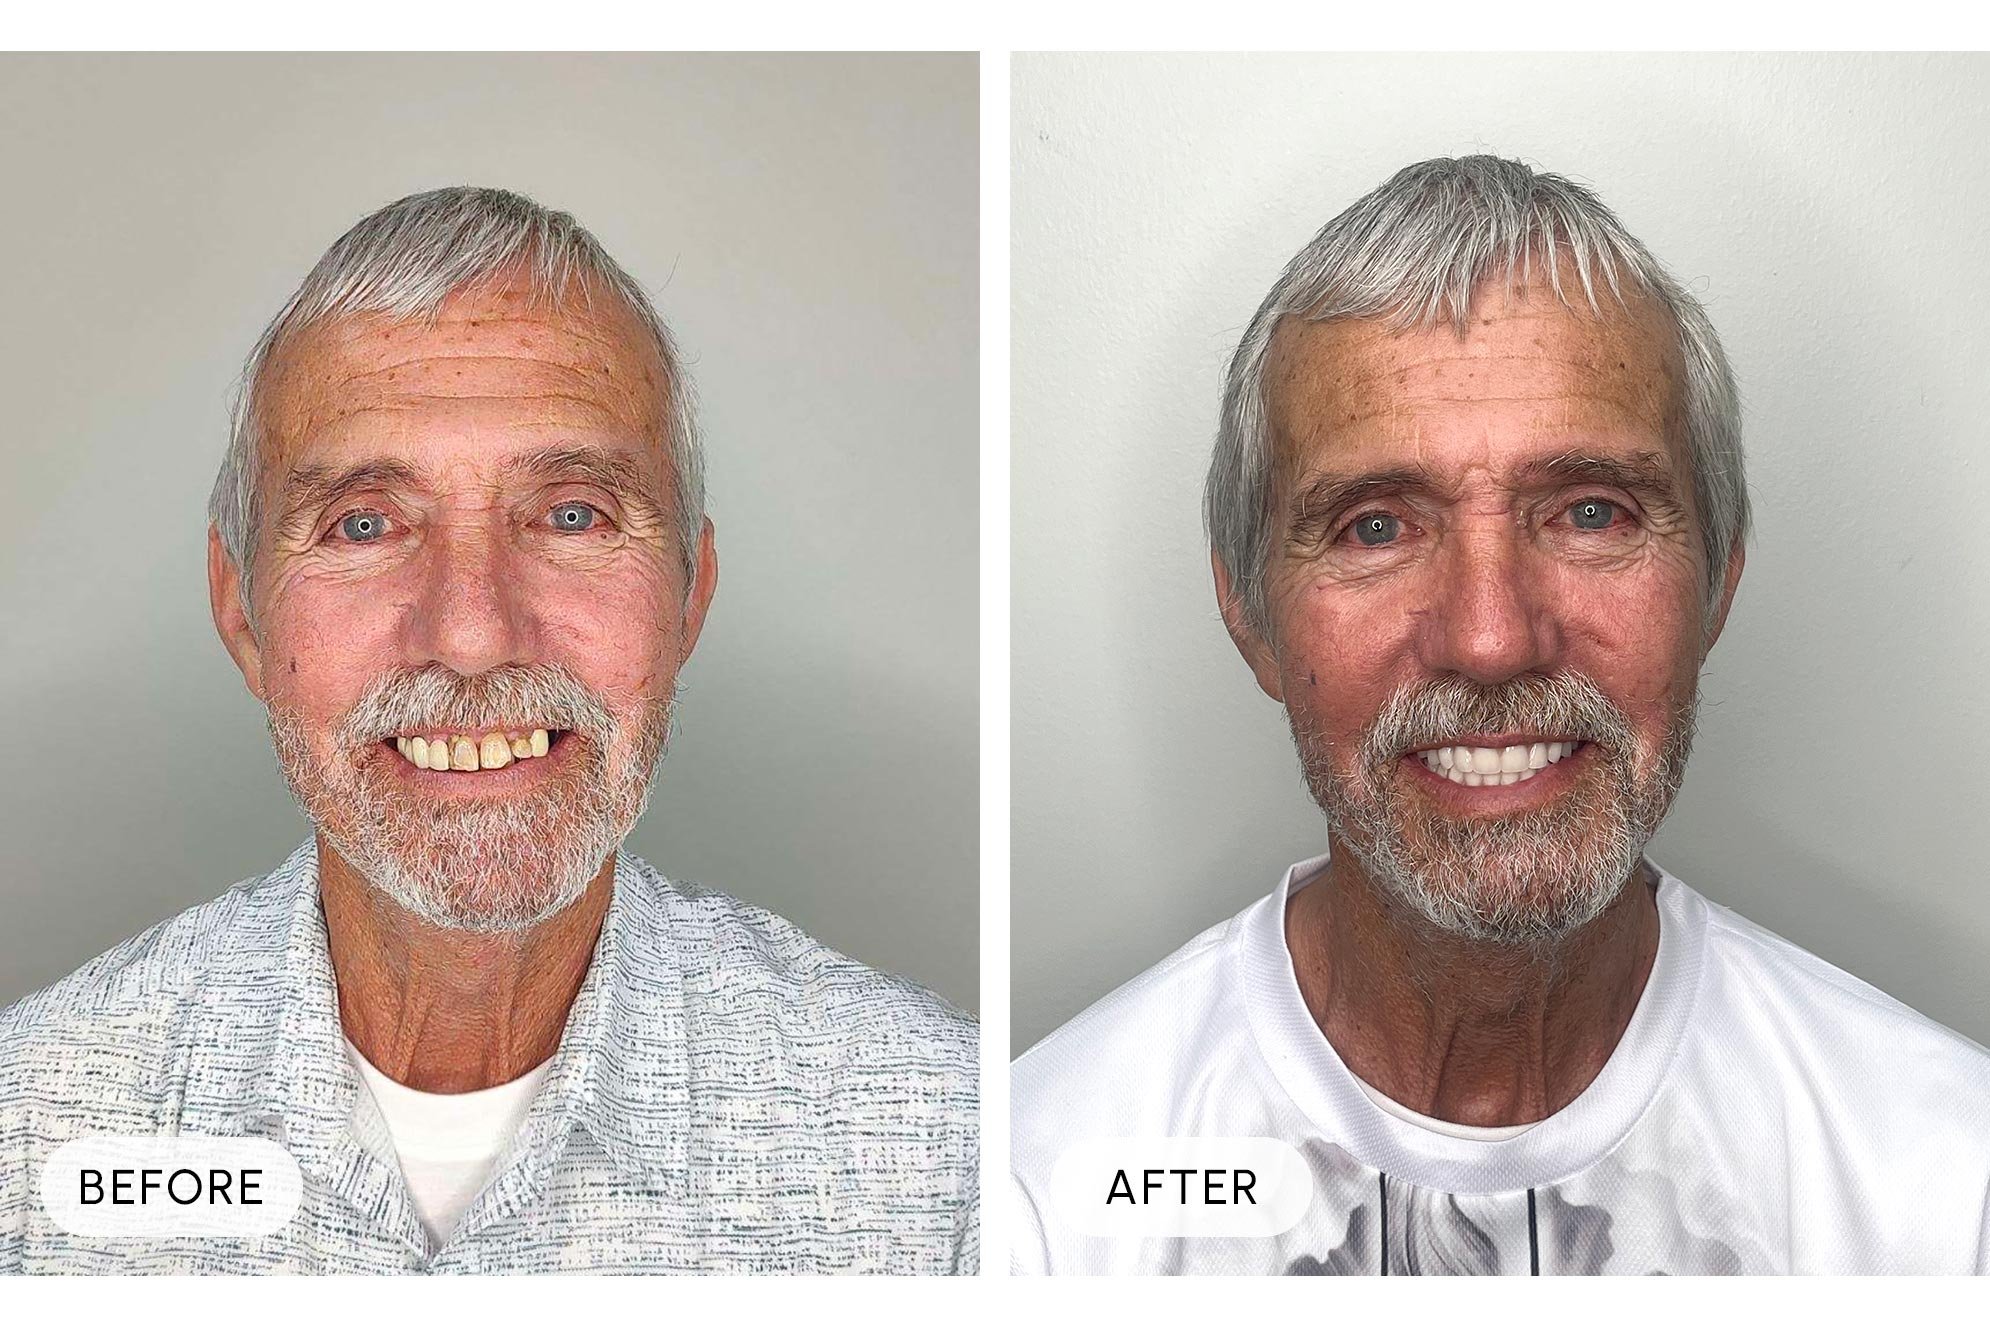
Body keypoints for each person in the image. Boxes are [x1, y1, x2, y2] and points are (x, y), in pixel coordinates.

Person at [1011, 155, 1990, 1275]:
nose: (1489, 637)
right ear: (1247, 611)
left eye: (1588, 512)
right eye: (1375, 526)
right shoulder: (1036, 1202)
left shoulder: (1948, 1190)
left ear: (1716, 579)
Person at [0, 187, 977, 1274]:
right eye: (364, 524)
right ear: (242, 611)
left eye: (571, 515)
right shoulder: (27, 1131)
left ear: (689, 593)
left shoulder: (948, 1157)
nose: (470, 634)